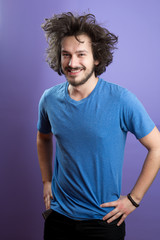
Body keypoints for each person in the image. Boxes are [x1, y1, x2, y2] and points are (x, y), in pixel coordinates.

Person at [37, 12, 160, 240]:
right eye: (66, 55)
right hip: (58, 218)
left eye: (81, 54)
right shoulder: (49, 99)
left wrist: (134, 199)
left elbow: (157, 147)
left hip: (103, 221)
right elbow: (43, 138)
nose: (72, 63)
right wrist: (46, 181)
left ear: (96, 58)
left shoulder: (121, 100)